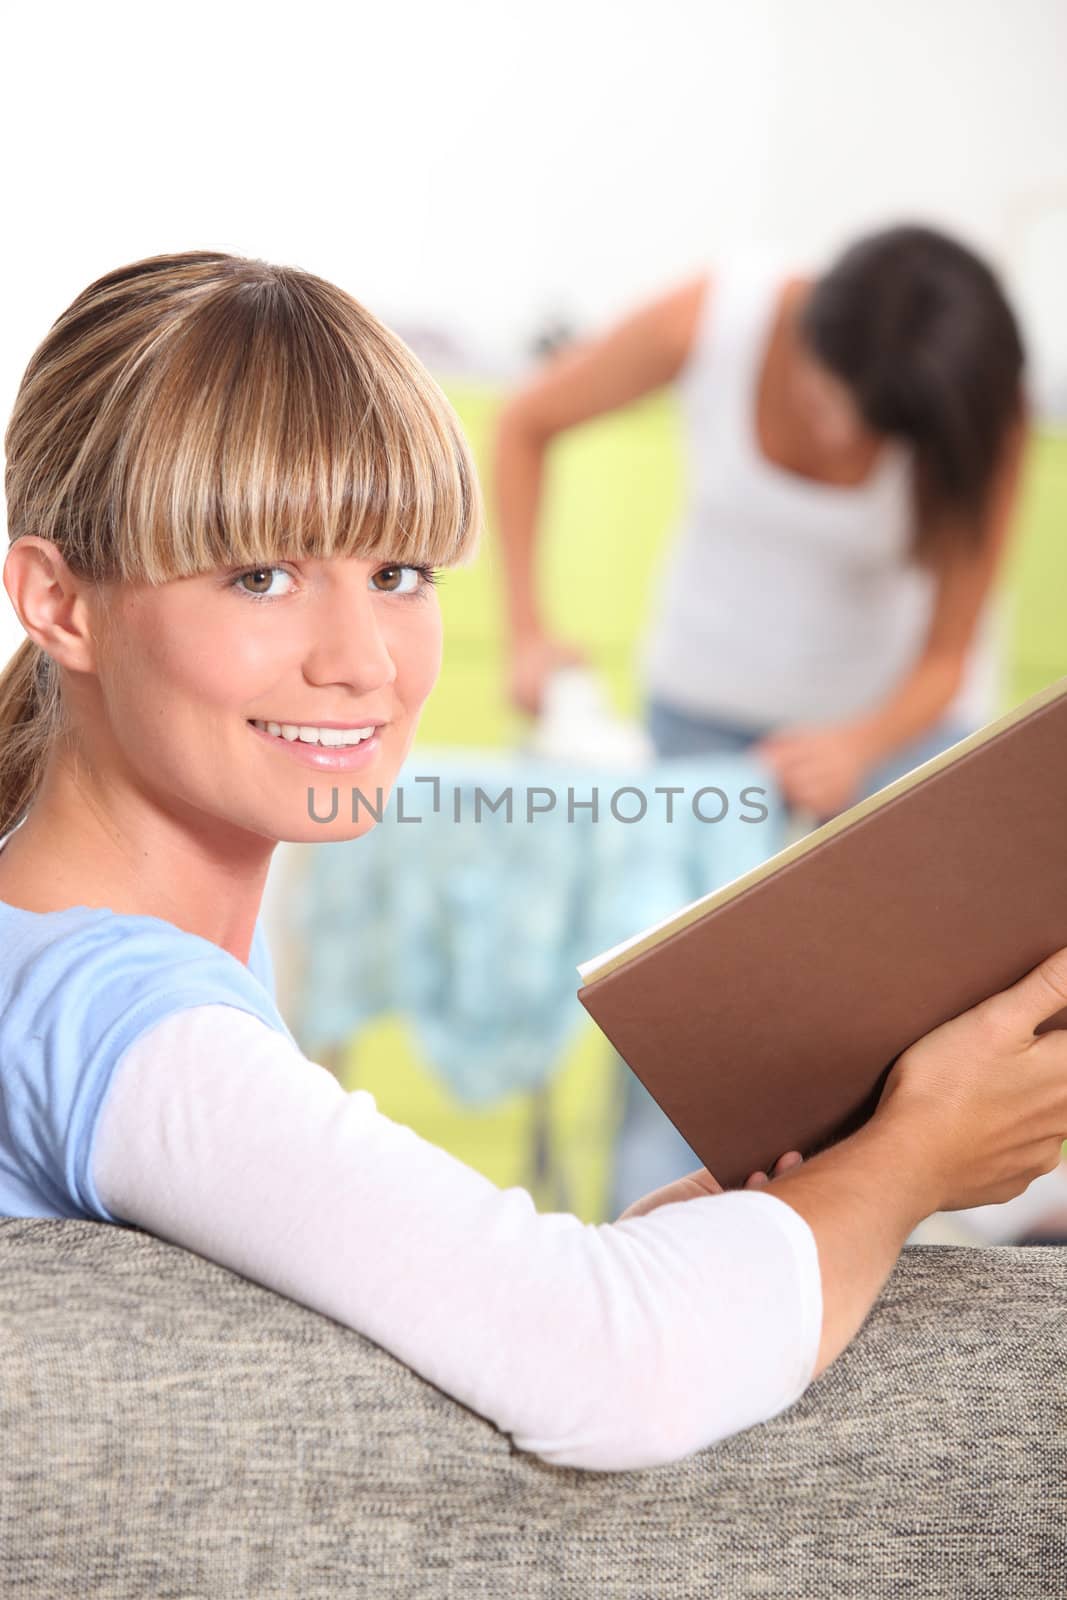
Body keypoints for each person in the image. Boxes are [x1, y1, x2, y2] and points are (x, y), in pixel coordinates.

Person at [1, 253, 1066, 1477]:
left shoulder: (63, 955)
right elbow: (615, 1369)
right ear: (58, 602)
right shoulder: (123, 1025)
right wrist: (912, 1162)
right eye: (261, 575)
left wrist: (741, 1219)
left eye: (398, 574)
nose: (363, 661)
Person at [491, 223, 1039, 1217]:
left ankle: (864, 1269)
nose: (845, 441)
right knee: (682, 1034)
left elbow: (947, 656)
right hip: (699, 728)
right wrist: (526, 631)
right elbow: (525, 422)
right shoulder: (717, 317)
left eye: (883, 434)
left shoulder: (968, 410)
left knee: (880, 1052)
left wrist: (854, 746)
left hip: (891, 750)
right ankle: (649, 1255)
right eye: (835, 402)